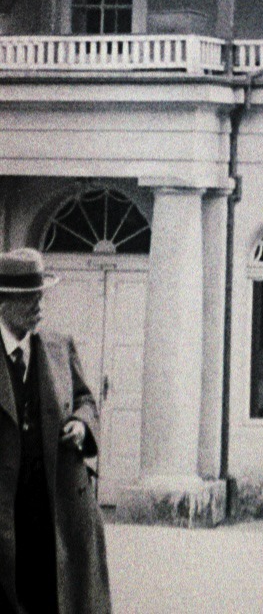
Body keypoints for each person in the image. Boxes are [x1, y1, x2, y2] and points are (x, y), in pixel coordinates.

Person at [0, 247, 111, 614]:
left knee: (60, 598)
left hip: (57, 507)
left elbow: (85, 399)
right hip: (6, 512)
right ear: (3, 304)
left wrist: (81, 423)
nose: (39, 304)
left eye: (40, 294)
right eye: (28, 298)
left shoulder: (59, 346)